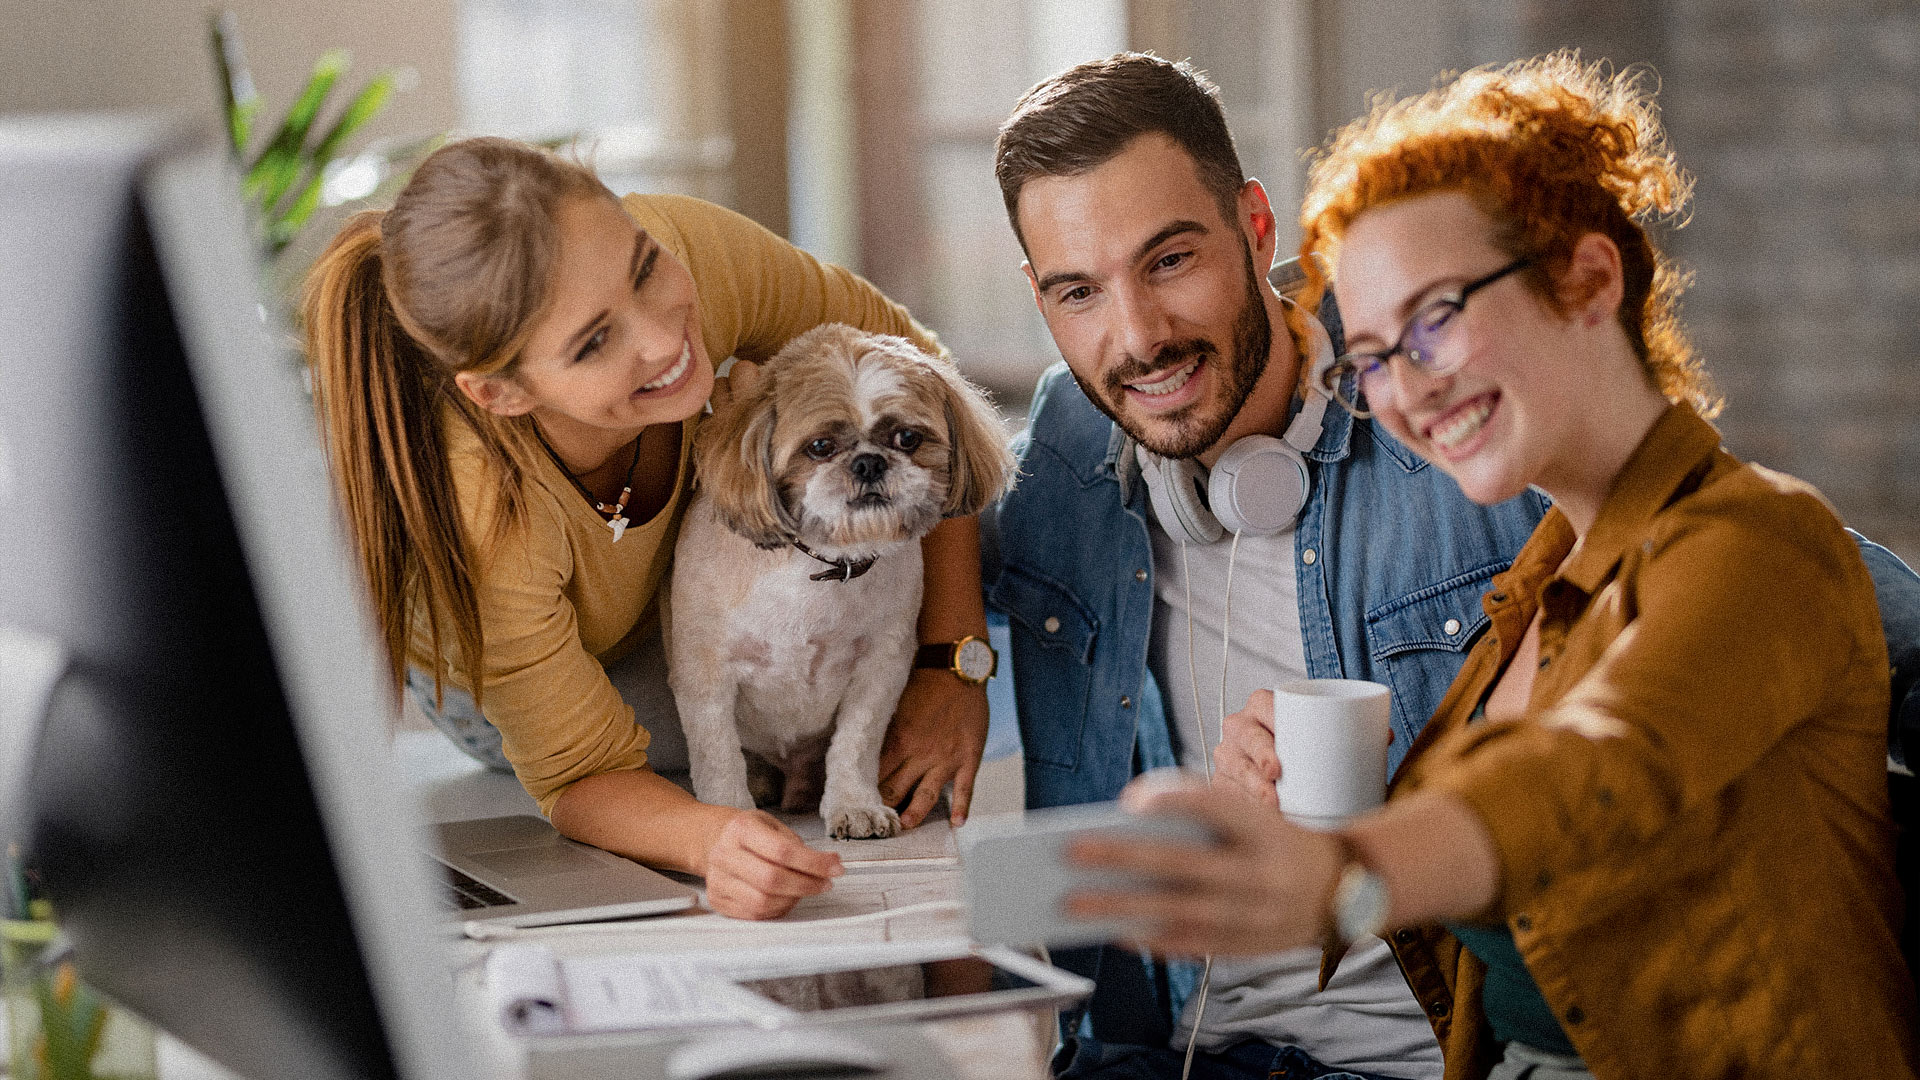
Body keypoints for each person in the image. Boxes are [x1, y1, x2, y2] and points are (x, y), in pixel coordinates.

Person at [1063, 53, 1920, 1078]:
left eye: (1434, 320)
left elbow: (1595, 770)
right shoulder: (1534, 587)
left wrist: (1340, 876)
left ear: (1587, 279)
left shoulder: (1756, 545)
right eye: (1372, 359)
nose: (1405, 391)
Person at [987, 53, 1541, 1080]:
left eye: (1169, 261)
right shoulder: (1069, 446)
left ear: (1255, 227)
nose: (1138, 337)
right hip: (1175, 1054)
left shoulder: (1445, 411)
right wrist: (945, 659)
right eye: (1078, 291)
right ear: (1039, 296)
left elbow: (1795, 579)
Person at [302, 137, 996, 921]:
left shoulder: (696, 253)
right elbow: (579, 774)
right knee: (718, 734)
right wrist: (715, 839)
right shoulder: (489, 516)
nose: (665, 339)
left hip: (687, 577)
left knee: (970, 532)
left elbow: (920, 371)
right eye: (595, 341)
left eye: (642, 268)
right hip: (536, 673)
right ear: (501, 393)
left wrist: (953, 662)